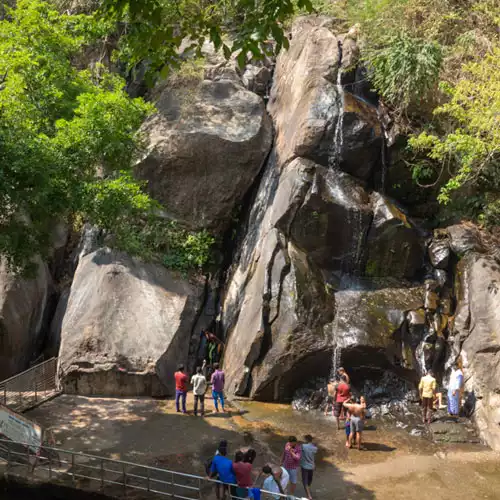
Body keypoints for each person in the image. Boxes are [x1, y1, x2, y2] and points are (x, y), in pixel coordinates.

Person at [300, 435, 317, 500]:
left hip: (304, 466)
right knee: (309, 480)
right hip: (311, 466)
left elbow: (299, 452)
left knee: (305, 481)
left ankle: (309, 496)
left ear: (306, 440)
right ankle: (308, 489)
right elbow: (313, 457)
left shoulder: (303, 446)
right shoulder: (315, 448)